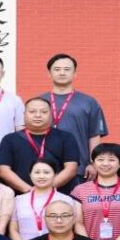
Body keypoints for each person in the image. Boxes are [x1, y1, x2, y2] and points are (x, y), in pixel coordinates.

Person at [40, 53, 107, 182]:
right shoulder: (39, 101)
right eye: (57, 69)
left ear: (75, 73)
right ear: (49, 73)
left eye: (67, 69)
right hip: (42, 168)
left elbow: (94, 135)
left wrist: (93, 163)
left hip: (79, 168)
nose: (62, 73)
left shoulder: (89, 102)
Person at [0, 97, 80, 193]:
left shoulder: (66, 137)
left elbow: (71, 168)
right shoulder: (9, 139)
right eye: (32, 112)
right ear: (24, 114)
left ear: (51, 114)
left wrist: (46, 190)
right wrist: (30, 191)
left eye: (44, 112)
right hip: (21, 196)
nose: (38, 115)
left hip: (58, 195)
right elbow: (4, 171)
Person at [9, 159, 84, 240]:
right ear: (30, 175)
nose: (41, 176)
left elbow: (76, 226)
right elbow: (13, 229)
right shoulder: (19, 200)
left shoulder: (66, 200)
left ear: (55, 174)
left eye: (46, 172)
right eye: (37, 172)